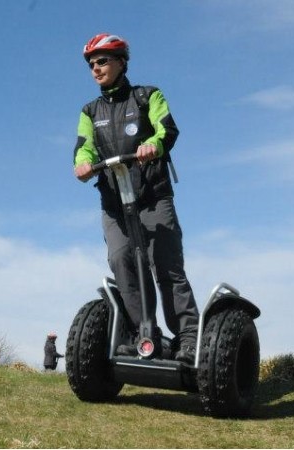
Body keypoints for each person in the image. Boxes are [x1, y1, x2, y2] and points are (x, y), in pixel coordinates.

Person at [71, 33, 200, 361]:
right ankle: (143, 333)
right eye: (91, 64)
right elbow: (83, 146)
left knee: (166, 265)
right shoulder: (90, 110)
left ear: (121, 62)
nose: (95, 68)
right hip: (115, 204)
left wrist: (152, 146)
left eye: (102, 61)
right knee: (122, 261)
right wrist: (82, 164)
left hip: (152, 196)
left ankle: (188, 339)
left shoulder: (147, 96)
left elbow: (166, 129)